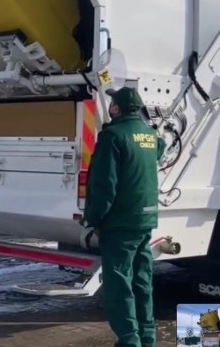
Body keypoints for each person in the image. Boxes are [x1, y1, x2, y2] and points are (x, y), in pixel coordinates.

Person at [81, 86, 165, 347]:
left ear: (116, 108)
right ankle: (147, 336)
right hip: (145, 220)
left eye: (112, 104)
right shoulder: (150, 136)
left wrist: (93, 219)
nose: (111, 107)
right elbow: (159, 148)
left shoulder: (112, 137)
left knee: (119, 284)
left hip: (120, 222)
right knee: (142, 281)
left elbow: (105, 186)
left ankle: (129, 340)